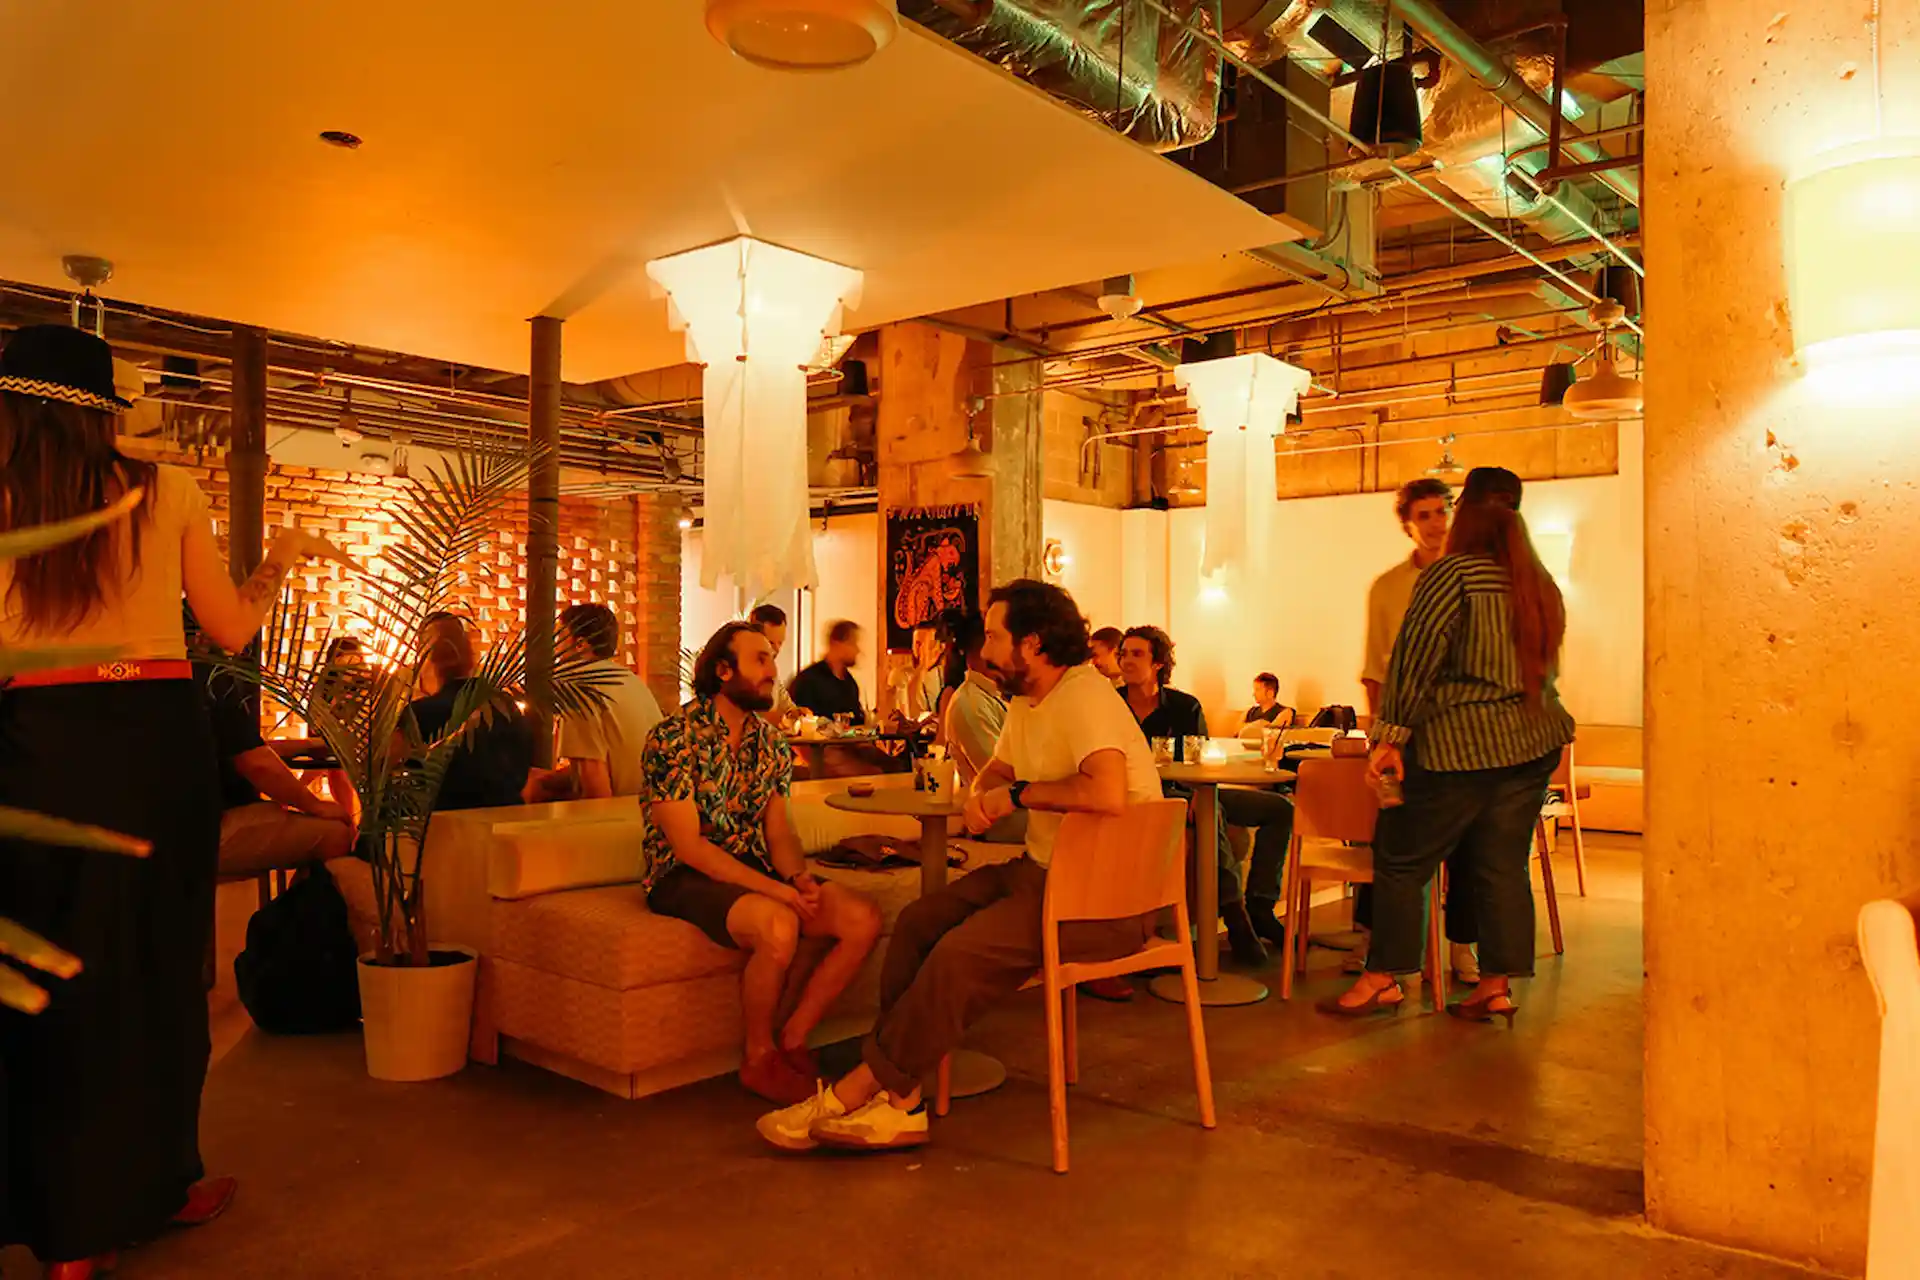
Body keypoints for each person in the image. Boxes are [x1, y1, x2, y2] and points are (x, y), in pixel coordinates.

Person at [0, 324, 347, 1279]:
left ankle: (65, 1227)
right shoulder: (169, 491)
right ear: (103, 410)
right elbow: (232, 631)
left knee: (50, 976)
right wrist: (278, 555)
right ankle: (162, 1180)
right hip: (152, 740)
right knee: (155, 971)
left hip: (35, 745)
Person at [755, 580, 1161, 1154]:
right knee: (921, 921)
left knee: (960, 953)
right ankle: (901, 1100)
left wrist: (1016, 796)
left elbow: (1108, 793)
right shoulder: (1028, 701)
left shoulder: (1085, 697)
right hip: (1044, 873)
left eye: (995, 635)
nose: (983, 647)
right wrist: (981, 791)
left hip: (1107, 897)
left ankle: (855, 1091)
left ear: (1034, 644)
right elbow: (999, 768)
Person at [1319, 496, 1574, 1024]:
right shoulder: (1538, 583)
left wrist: (1388, 737)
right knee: (1501, 867)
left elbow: (1414, 658)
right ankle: (1494, 987)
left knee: (1402, 858)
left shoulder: (1453, 575)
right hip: (1533, 745)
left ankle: (1383, 977)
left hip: (1462, 744)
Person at [642, 622, 882, 1104]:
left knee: (861, 918)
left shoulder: (770, 744)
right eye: (760, 660)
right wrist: (779, 892)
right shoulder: (672, 738)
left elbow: (778, 832)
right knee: (778, 924)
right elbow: (688, 847)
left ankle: (794, 1037)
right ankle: (758, 1055)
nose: (773, 671)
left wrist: (799, 878)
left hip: (753, 865)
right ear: (722, 670)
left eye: (772, 659)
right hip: (683, 876)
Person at [1353, 477, 1479, 979]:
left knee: (1468, 845)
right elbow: (1375, 669)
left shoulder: (1476, 577)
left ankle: (1462, 948)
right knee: (1391, 840)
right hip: (1405, 735)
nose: (1435, 522)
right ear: (1408, 524)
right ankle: (1382, 954)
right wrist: (1381, 738)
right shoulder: (1388, 588)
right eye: (1423, 514)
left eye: (1441, 510)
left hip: (1464, 733)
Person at [1116, 625, 1272, 966]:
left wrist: (1200, 794)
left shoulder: (1185, 707)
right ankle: (1236, 916)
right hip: (1145, 796)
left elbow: (1201, 759)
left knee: (1279, 809)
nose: (1126, 660)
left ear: (1158, 663)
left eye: (1136, 653)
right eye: (1123, 653)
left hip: (1190, 788)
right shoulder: (1110, 705)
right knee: (1211, 814)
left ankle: (1261, 905)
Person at [199, 661, 357, 876]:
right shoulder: (210, 677)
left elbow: (244, 747)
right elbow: (256, 763)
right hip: (205, 833)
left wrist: (309, 745)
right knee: (336, 833)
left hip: (157, 830)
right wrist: (314, 804)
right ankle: (297, 909)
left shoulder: (166, 673)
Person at [404, 614, 535, 812]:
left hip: (444, 833)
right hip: (509, 822)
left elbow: (388, 782)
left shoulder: (419, 715)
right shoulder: (506, 706)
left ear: (426, 660)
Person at [552, 603, 662, 799]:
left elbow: (597, 793)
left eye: (559, 638)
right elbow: (619, 764)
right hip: (654, 811)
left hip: (623, 819)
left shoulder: (580, 689)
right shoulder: (631, 681)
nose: (554, 648)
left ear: (580, 645)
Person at [940, 610, 1023, 845]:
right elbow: (997, 773)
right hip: (1001, 818)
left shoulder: (1003, 695)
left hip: (1021, 805)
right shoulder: (970, 703)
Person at [789, 618, 867, 724]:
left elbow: (857, 722)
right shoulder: (807, 681)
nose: (858, 650)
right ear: (836, 644)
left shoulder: (850, 684)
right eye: (853, 643)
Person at [748, 602, 801, 727]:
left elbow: (786, 705)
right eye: (771, 643)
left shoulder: (772, 670)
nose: (777, 650)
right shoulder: (740, 670)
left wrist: (796, 713)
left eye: (780, 643)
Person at [888, 619, 946, 725]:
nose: (920, 649)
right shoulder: (901, 675)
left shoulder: (943, 673)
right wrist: (922, 668)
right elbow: (910, 714)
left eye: (926, 644)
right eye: (917, 644)